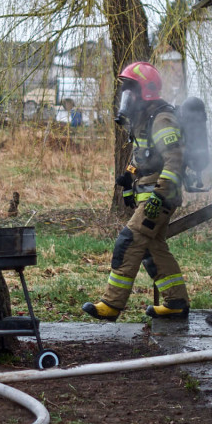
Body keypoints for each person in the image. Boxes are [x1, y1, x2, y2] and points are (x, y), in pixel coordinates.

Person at [82, 62, 190, 321]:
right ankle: (176, 303)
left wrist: (159, 196)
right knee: (153, 249)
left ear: (146, 91)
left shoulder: (161, 119)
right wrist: (129, 177)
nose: (126, 95)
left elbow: (175, 159)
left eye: (131, 89)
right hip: (151, 194)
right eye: (125, 90)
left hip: (161, 197)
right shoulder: (144, 119)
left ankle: (111, 303)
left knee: (128, 241)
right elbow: (143, 156)